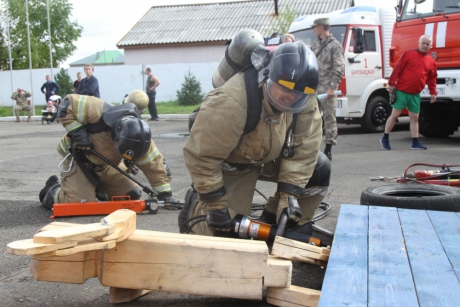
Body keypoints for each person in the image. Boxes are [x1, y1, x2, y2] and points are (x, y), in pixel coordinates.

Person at [181, 42, 331, 239]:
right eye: (285, 89)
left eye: (299, 95)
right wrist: (216, 206)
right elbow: (202, 158)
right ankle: (196, 206)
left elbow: (305, 150)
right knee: (223, 231)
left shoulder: (304, 97)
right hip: (231, 165)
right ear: (266, 76)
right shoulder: (232, 101)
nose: (291, 98)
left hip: (268, 157)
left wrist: (288, 197)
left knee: (320, 168)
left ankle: (278, 227)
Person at [38, 90, 178, 210]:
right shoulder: (98, 111)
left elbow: (155, 167)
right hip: (78, 158)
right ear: (115, 138)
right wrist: (79, 135)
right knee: (78, 203)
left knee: (130, 196)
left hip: (105, 164)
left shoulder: (141, 141)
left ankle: (96, 189)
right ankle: (52, 189)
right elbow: (67, 104)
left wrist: (166, 196)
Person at [380, 35, 437, 150]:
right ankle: (385, 138)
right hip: (402, 91)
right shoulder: (409, 54)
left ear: (430, 46)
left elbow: (432, 78)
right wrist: (391, 82)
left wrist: (433, 92)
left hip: (415, 94)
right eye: (423, 43)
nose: (425, 46)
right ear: (418, 43)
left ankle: (415, 142)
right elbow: (398, 68)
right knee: (395, 114)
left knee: (414, 117)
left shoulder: (430, 60)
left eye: (427, 44)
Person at [310, 18, 344, 161]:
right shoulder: (315, 44)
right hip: (314, 88)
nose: (314, 29)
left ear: (322, 27)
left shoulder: (335, 45)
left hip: (327, 88)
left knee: (329, 118)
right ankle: (312, 147)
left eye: (315, 27)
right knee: (312, 117)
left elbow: (339, 68)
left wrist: (332, 87)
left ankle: (328, 148)